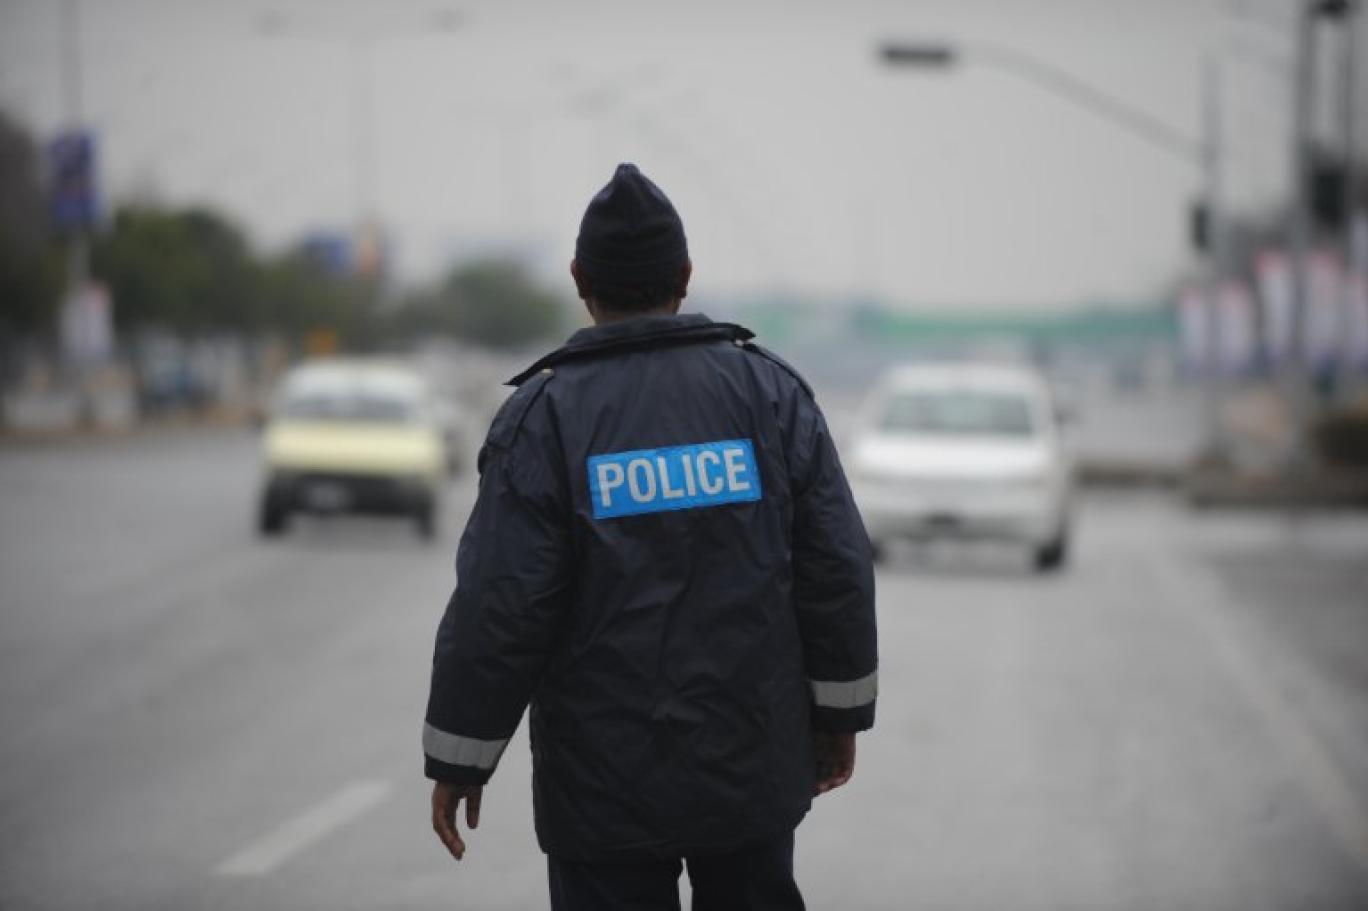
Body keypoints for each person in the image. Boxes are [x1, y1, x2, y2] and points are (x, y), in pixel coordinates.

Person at [424, 163, 878, 911]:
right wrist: (837, 718)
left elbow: (501, 605)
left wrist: (460, 757)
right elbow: (836, 569)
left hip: (600, 787)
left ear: (580, 280)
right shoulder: (770, 396)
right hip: (750, 768)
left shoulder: (545, 418)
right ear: (686, 275)